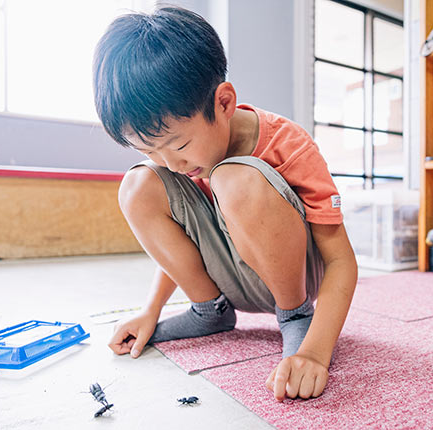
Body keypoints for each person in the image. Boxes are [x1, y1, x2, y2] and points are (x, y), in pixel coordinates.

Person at [92, 6, 357, 401]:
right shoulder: (179, 163)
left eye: (178, 144)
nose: (172, 164)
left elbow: (341, 261)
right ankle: (209, 312)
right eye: (151, 149)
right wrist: (151, 310)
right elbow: (186, 240)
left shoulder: (289, 144)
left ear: (224, 103)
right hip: (229, 276)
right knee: (137, 184)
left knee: (233, 177)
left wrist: (315, 353)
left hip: (294, 280)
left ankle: (294, 315)